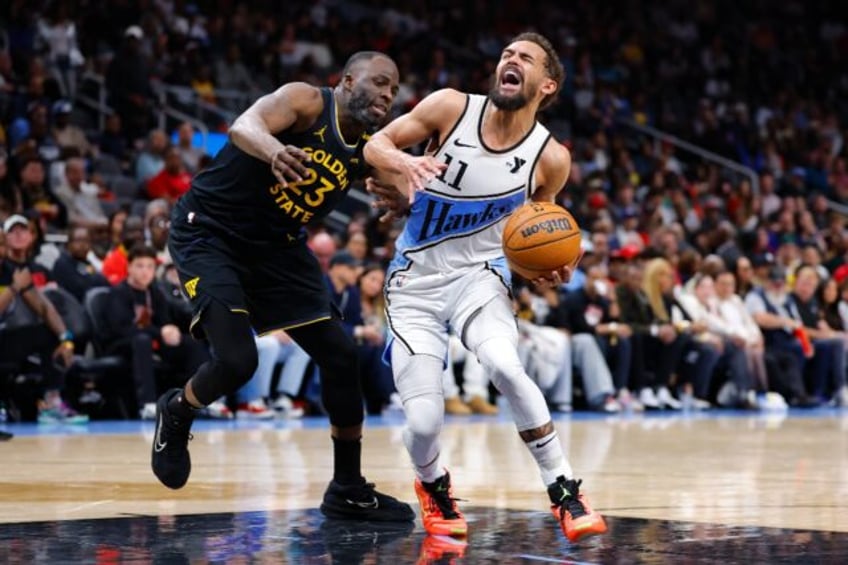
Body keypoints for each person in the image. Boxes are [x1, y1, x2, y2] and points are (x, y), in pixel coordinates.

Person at [151, 50, 414, 524]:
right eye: (378, 82)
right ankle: (177, 407)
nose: (387, 94)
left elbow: (408, 188)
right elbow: (243, 126)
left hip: (277, 248)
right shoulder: (307, 102)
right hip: (212, 232)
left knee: (340, 354)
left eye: (393, 89)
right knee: (237, 361)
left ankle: (347, 488)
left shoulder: (370, 145)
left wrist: (402, 197)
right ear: (348, 81)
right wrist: (275, 150)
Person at [363, 32, 606, 542]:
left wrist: (546, 268)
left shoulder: (551, 158)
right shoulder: (451, 108)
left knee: (505, 366)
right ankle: (433, 485)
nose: (510, 60)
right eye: (506, 54)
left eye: (526, 59)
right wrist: (404, 165)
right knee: (425, 420)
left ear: (546, 85)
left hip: (480, 276)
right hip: (415, 285)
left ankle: (564, 489)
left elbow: (532, 231)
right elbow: (375, 143)